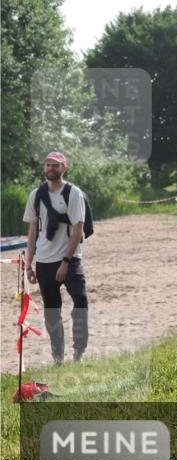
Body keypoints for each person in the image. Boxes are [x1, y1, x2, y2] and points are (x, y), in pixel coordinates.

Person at [23, 152, 89, 364]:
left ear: (64, 167)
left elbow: (78, 230)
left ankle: (79, 351)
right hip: (44, 261)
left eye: (56, 165)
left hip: (70, 260)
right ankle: (58, 357)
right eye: (48, 165)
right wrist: (29, 266)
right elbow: (33, 232)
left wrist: (66, 262)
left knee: (80, 300)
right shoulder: (36, 195)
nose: (51, 168)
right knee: (52, 313)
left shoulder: (73, 193)